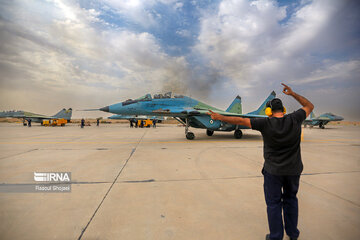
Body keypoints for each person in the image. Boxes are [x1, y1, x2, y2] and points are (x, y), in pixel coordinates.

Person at [208, 83, 313, 240]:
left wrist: (219, 117)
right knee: (291, 200)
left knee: (274, 204)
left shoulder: (264, 123)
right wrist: (292, 94)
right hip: (293, 170)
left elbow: (240, 121)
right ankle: (293, 234)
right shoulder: (295, 118)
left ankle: (276, 236)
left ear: (268, 111)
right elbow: (309, 105)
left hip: (273, 172)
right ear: (283, 110)